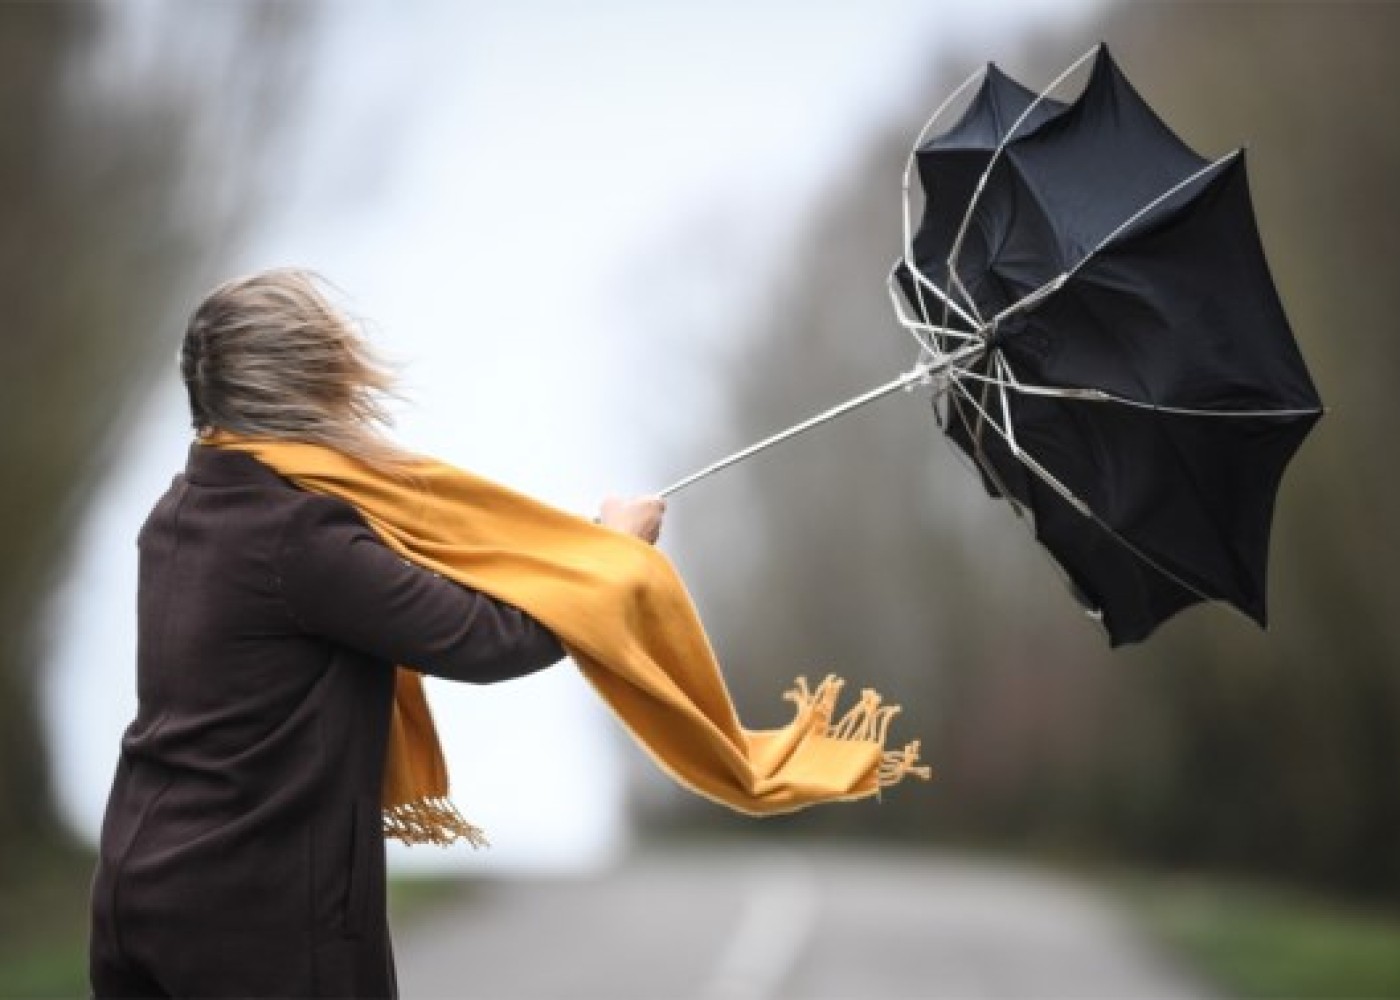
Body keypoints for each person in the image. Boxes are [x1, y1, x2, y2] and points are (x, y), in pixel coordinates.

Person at [88, 269, 665, 998]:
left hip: (137, 892)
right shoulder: (298, 536)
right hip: (255, 923)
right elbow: (489, 639)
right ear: (308, 386)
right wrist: (617, 556)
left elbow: (409, 595)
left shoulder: (177, 513)